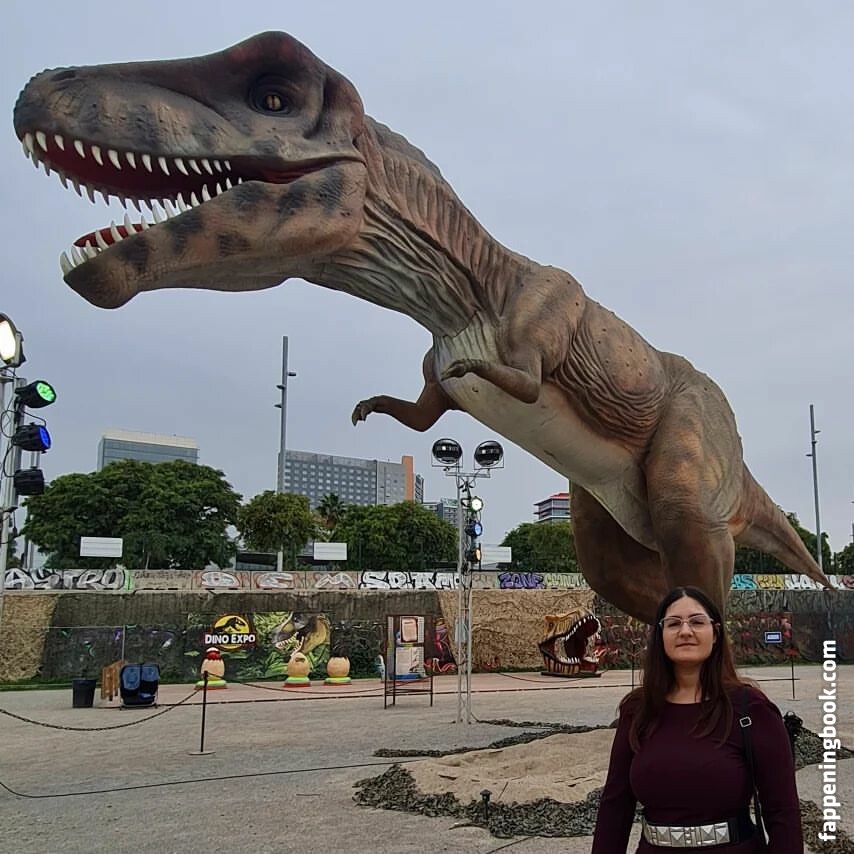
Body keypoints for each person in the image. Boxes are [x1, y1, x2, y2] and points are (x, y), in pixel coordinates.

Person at [592, 586, 802, 852]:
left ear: (715, 634)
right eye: (673, 623)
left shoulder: (751, 709)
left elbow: (783, 811)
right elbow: (616, 805)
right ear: (660, 636)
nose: (685, 631)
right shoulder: (638, 710)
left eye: (697, 622)